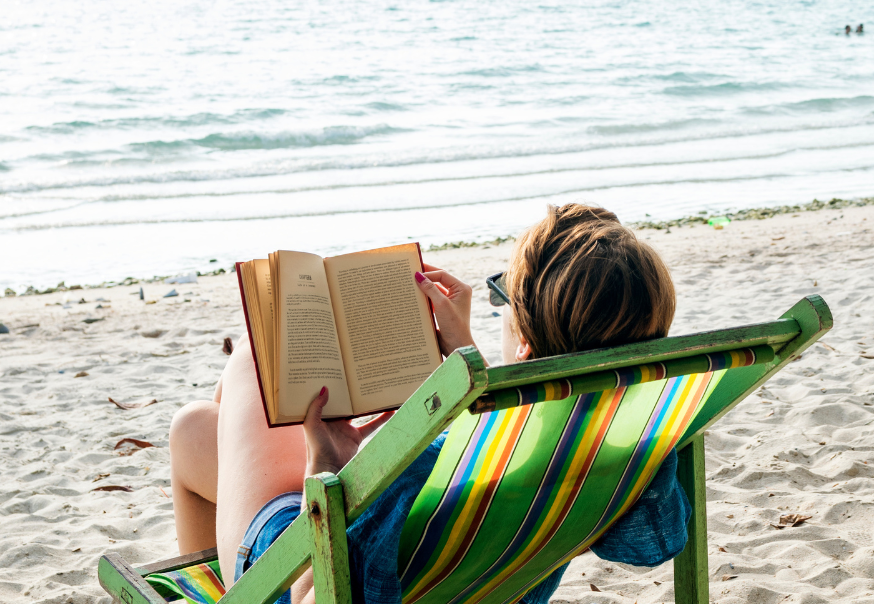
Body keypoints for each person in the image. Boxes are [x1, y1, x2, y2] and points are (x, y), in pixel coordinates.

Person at [168, 204, 690, 604]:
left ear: (525, 347)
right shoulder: (633, 441)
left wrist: (328, 471)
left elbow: (320, 592)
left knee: (245, 367)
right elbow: (647, 545)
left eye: (502, 299)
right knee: (198, 428)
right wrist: (473, 373)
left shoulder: (419, 474)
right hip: (476, 580)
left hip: (292, 568)